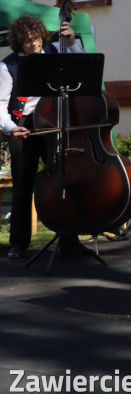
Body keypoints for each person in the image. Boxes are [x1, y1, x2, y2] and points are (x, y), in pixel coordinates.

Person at [1, 15, 83, 259]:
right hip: (24, 125)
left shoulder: (56, 50)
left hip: (55, 121)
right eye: (28, 41)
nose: (35, 45)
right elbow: (1, 102)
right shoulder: (7, 66)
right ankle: (18, 243)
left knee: (63, 180)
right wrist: (9, 128)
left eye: (37, 39)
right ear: (19, 42)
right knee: (22, 185)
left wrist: (72, 44)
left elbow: (82, 70)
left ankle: (69, 239)